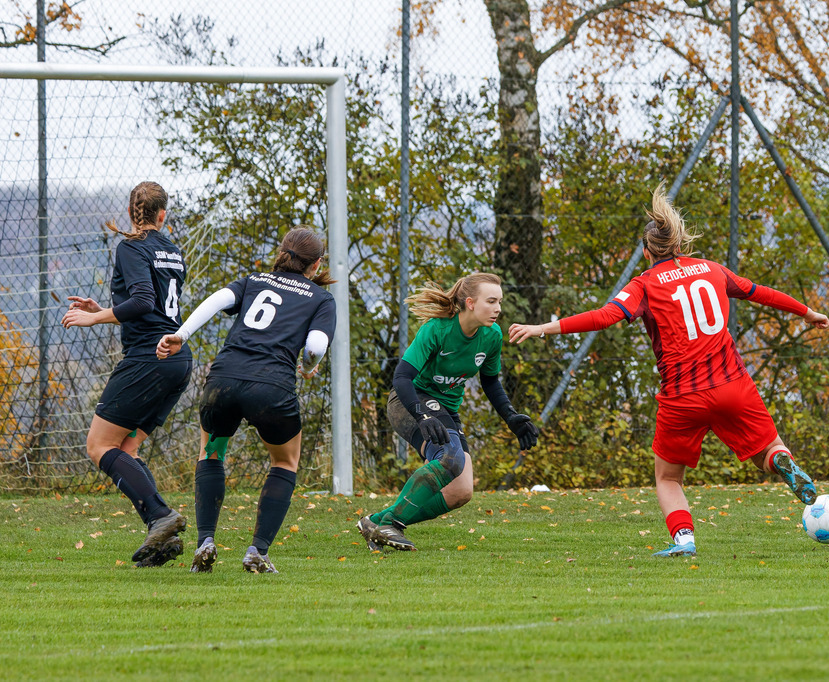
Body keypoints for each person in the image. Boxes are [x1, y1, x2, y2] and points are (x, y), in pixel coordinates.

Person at [508, 184, 829, 558]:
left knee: (668, 477)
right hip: (733, 385)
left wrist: (541, 328)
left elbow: (604, 317)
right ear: (679, 244)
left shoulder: (644, 283)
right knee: (768, 449)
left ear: (647, 251)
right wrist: (807, 312)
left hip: (683, 397)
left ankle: (685, 540)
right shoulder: (713, 270)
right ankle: (780, 460)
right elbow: (761, 292)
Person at [156, 226, 336, 574]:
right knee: (285, 462)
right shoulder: (320, 298)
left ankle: (205, 541)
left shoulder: (254, 281)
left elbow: (214, 302)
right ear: (315, 265)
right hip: (271, 388)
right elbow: (315, 347)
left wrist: (180, 335)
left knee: (211, 450)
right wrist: (308, 366)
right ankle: (257, 551)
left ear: (282, 253)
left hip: (222, 379)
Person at [358, 273, 539, 552]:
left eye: (499, 301)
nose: (498, 308)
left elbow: (490, 381)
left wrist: (511, 416)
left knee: (461, 491)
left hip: (445, 409)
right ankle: (390, 524)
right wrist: (422, 415)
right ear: (469, 302)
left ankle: (375, 522)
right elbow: (402, 378)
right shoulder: (437, 329)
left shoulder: (492, 336)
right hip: (411, 402)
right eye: (491, 301)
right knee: (450, 458)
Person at [61, 181, 189, 567]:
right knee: (127, 449)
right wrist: (108, 307)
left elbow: (144, 301)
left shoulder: (130, 247)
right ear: (162, 215)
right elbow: (152, 306)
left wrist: (94, 316)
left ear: (134, 212)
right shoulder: (174, 251)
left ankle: (160, 517)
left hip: (148, 360)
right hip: (177, 360)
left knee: (99, 446)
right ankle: (163, 542)